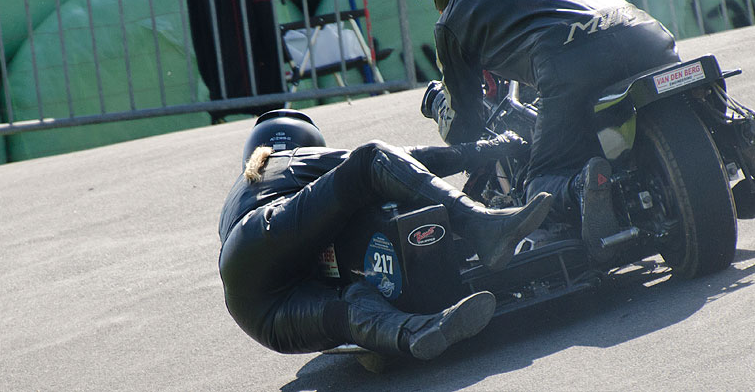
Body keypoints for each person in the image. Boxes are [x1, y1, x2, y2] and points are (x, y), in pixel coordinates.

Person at [417, 0, 682, 264]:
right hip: (645, 33)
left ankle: (583, 186)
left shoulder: (451, 19)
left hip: (570, 65)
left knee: (539, 179)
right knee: (675, 91)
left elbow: (464, 125)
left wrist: (439, 107)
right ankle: (737, 131)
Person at [218, 109, 553, 360]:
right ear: (304, 141)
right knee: (372, 158)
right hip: (261, 233)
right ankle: (482, 226)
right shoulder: (281, 159)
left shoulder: (240, 192)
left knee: (350, 304)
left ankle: (417, 330)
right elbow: (392, 162)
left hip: (255, 312)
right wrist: (488, 148)